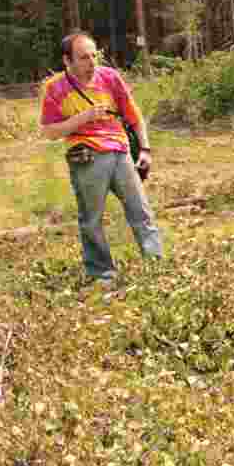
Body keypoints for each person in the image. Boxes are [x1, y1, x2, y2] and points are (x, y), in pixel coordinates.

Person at [40, 31, 162, 284]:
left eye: (94, 55)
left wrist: (145, 149)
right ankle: (102, 275)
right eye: (84, 58)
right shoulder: (55, 89)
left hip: (120, 151)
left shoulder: (110, 77)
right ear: (67, 61)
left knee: (141, 211)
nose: (92, 62)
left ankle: (157, 267)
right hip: (87, 156)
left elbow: (134, 116)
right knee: (92, 220)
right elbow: (50, 132)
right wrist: (82, 118)